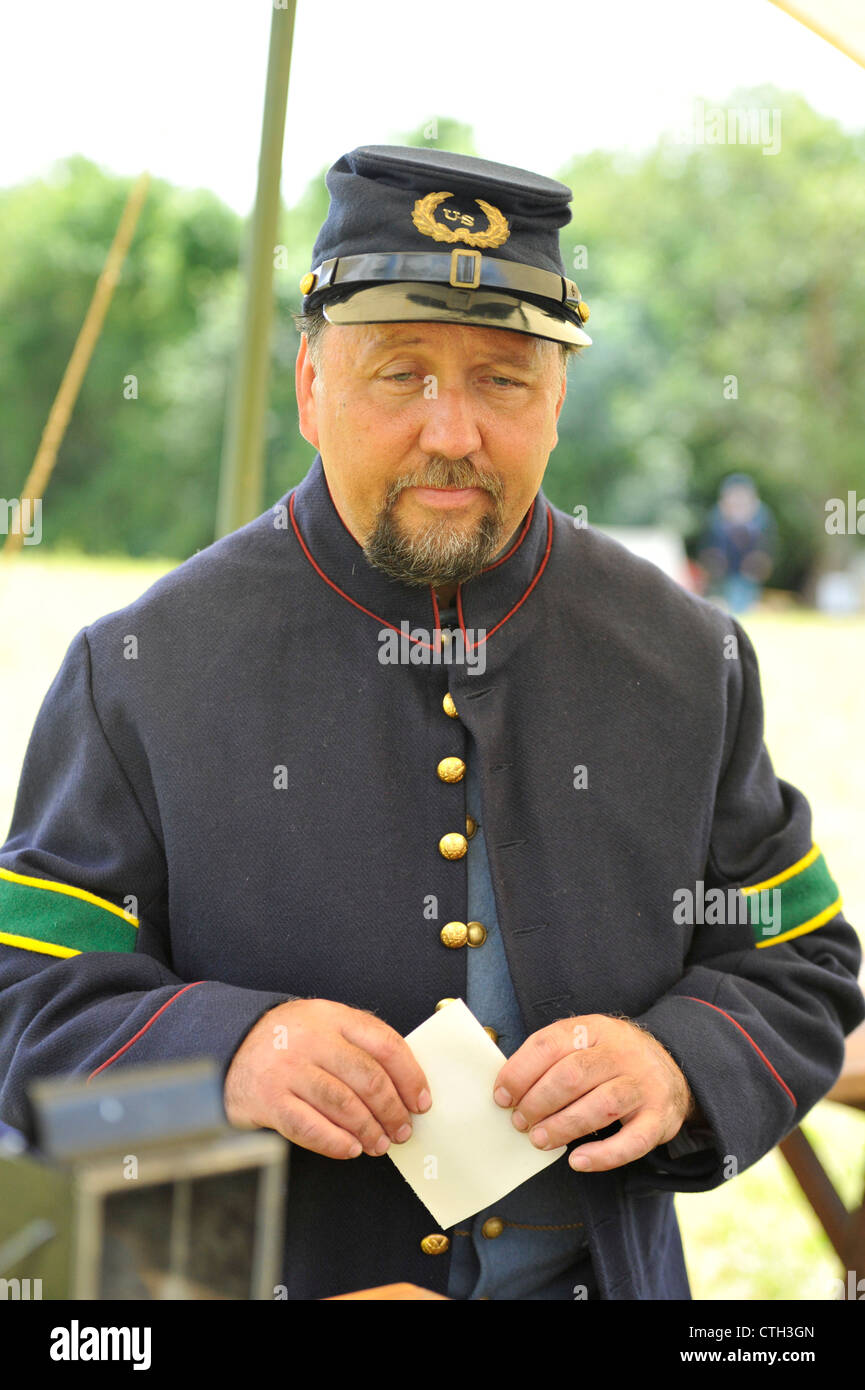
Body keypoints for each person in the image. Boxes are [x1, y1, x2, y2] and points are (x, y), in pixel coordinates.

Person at [0, 145, 862, 1301]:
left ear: (558, 393)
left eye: (503, 379)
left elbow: (796, 958)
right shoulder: (138, 670)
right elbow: (27, 1005)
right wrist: (230, 1052)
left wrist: (676, 1062)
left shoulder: (687, 656)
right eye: (400, 372)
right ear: (311, 385)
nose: (450, 431)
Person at [698, 474, 777, 613]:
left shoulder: (761, 517)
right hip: (724, 569)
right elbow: (710, 544)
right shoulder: (717, 516)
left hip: (747, 569)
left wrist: (759, 561)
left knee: (743, 598)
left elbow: (766, 545)